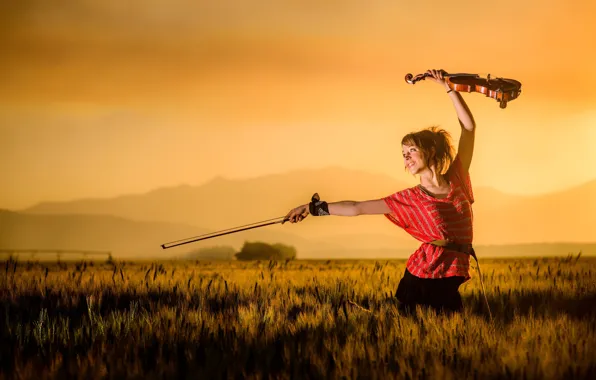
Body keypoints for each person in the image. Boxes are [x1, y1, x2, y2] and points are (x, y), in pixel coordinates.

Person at [283, 69, 476, 315]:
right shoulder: (410, 198)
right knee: (411, 329)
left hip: (454, 272)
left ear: (431, 150)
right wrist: (311, 209)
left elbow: (468, 128)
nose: (406, 158)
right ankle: (352, 313)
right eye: (403, 154)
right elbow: (357, 208)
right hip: (424, 276)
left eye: (411, 151)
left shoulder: (457, 178)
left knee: (441, 336)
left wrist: (449, 87)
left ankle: (354, 311)